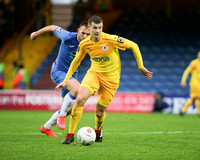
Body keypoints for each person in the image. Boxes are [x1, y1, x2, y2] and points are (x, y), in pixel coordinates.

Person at [56, 16, 153, 144]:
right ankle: (70, 134)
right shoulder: (85, 43)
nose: (98, 30)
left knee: (99, 111)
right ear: (89, 28)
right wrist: (66, 79)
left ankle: (98, 130)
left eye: (100, 27)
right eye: (95, 28)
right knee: (80, 99)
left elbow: (134, 45)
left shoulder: (111, 39)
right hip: (94, 74)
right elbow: (76, 60)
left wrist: (141, 66)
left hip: (111, 80)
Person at [30, 21, 90, 137]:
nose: (85, 37)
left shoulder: (90, 42)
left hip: (73, 75)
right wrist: (36, 33)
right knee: (77, 90)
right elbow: (53, 27)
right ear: (78, 30)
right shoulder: (67, 36)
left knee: (71, 109)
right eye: (83, 33)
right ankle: (61, 115)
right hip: (59, 72)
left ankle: (46, 127)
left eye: (88, 34)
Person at [179, 51, 200, 116]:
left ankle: (182, 111)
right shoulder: (194, 63)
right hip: (195, 83)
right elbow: (186, 71)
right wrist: (183, 80)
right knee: (197, 98)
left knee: (194, 98)